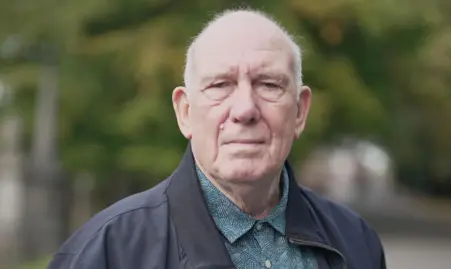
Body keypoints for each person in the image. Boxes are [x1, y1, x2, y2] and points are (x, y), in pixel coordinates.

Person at [47, 8, 386, 269]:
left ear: (299, 111)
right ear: (185, 112)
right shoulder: (109, 251)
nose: (244, 109)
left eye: (269, 85)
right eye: (219, 85)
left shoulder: (355, 241)